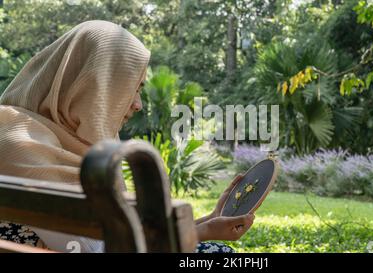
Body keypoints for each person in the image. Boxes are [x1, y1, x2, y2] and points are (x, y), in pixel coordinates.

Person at [0, 20, 254, 253]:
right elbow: (99, 248)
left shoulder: (25, 132)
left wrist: (206, 222)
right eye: (132, 88)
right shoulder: (19, 141)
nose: (138, 104)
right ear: (92, 84)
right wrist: (205, 232)